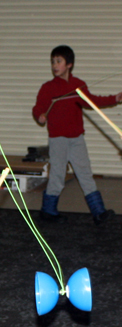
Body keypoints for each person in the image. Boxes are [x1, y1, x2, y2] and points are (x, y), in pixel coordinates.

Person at [32, 45, 122, 225]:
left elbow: (92, 101)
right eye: (53, 62)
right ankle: (48, 211)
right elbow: (38, 108)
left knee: (85, 173)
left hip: (77, 139)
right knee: (57, 175)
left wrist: (115, 98)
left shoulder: (77, 85)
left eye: (59, 61)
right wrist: (40, 116)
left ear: (69, 64)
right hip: (58, 139)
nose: (55, 65)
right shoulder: (47, 88)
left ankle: (99, 212)